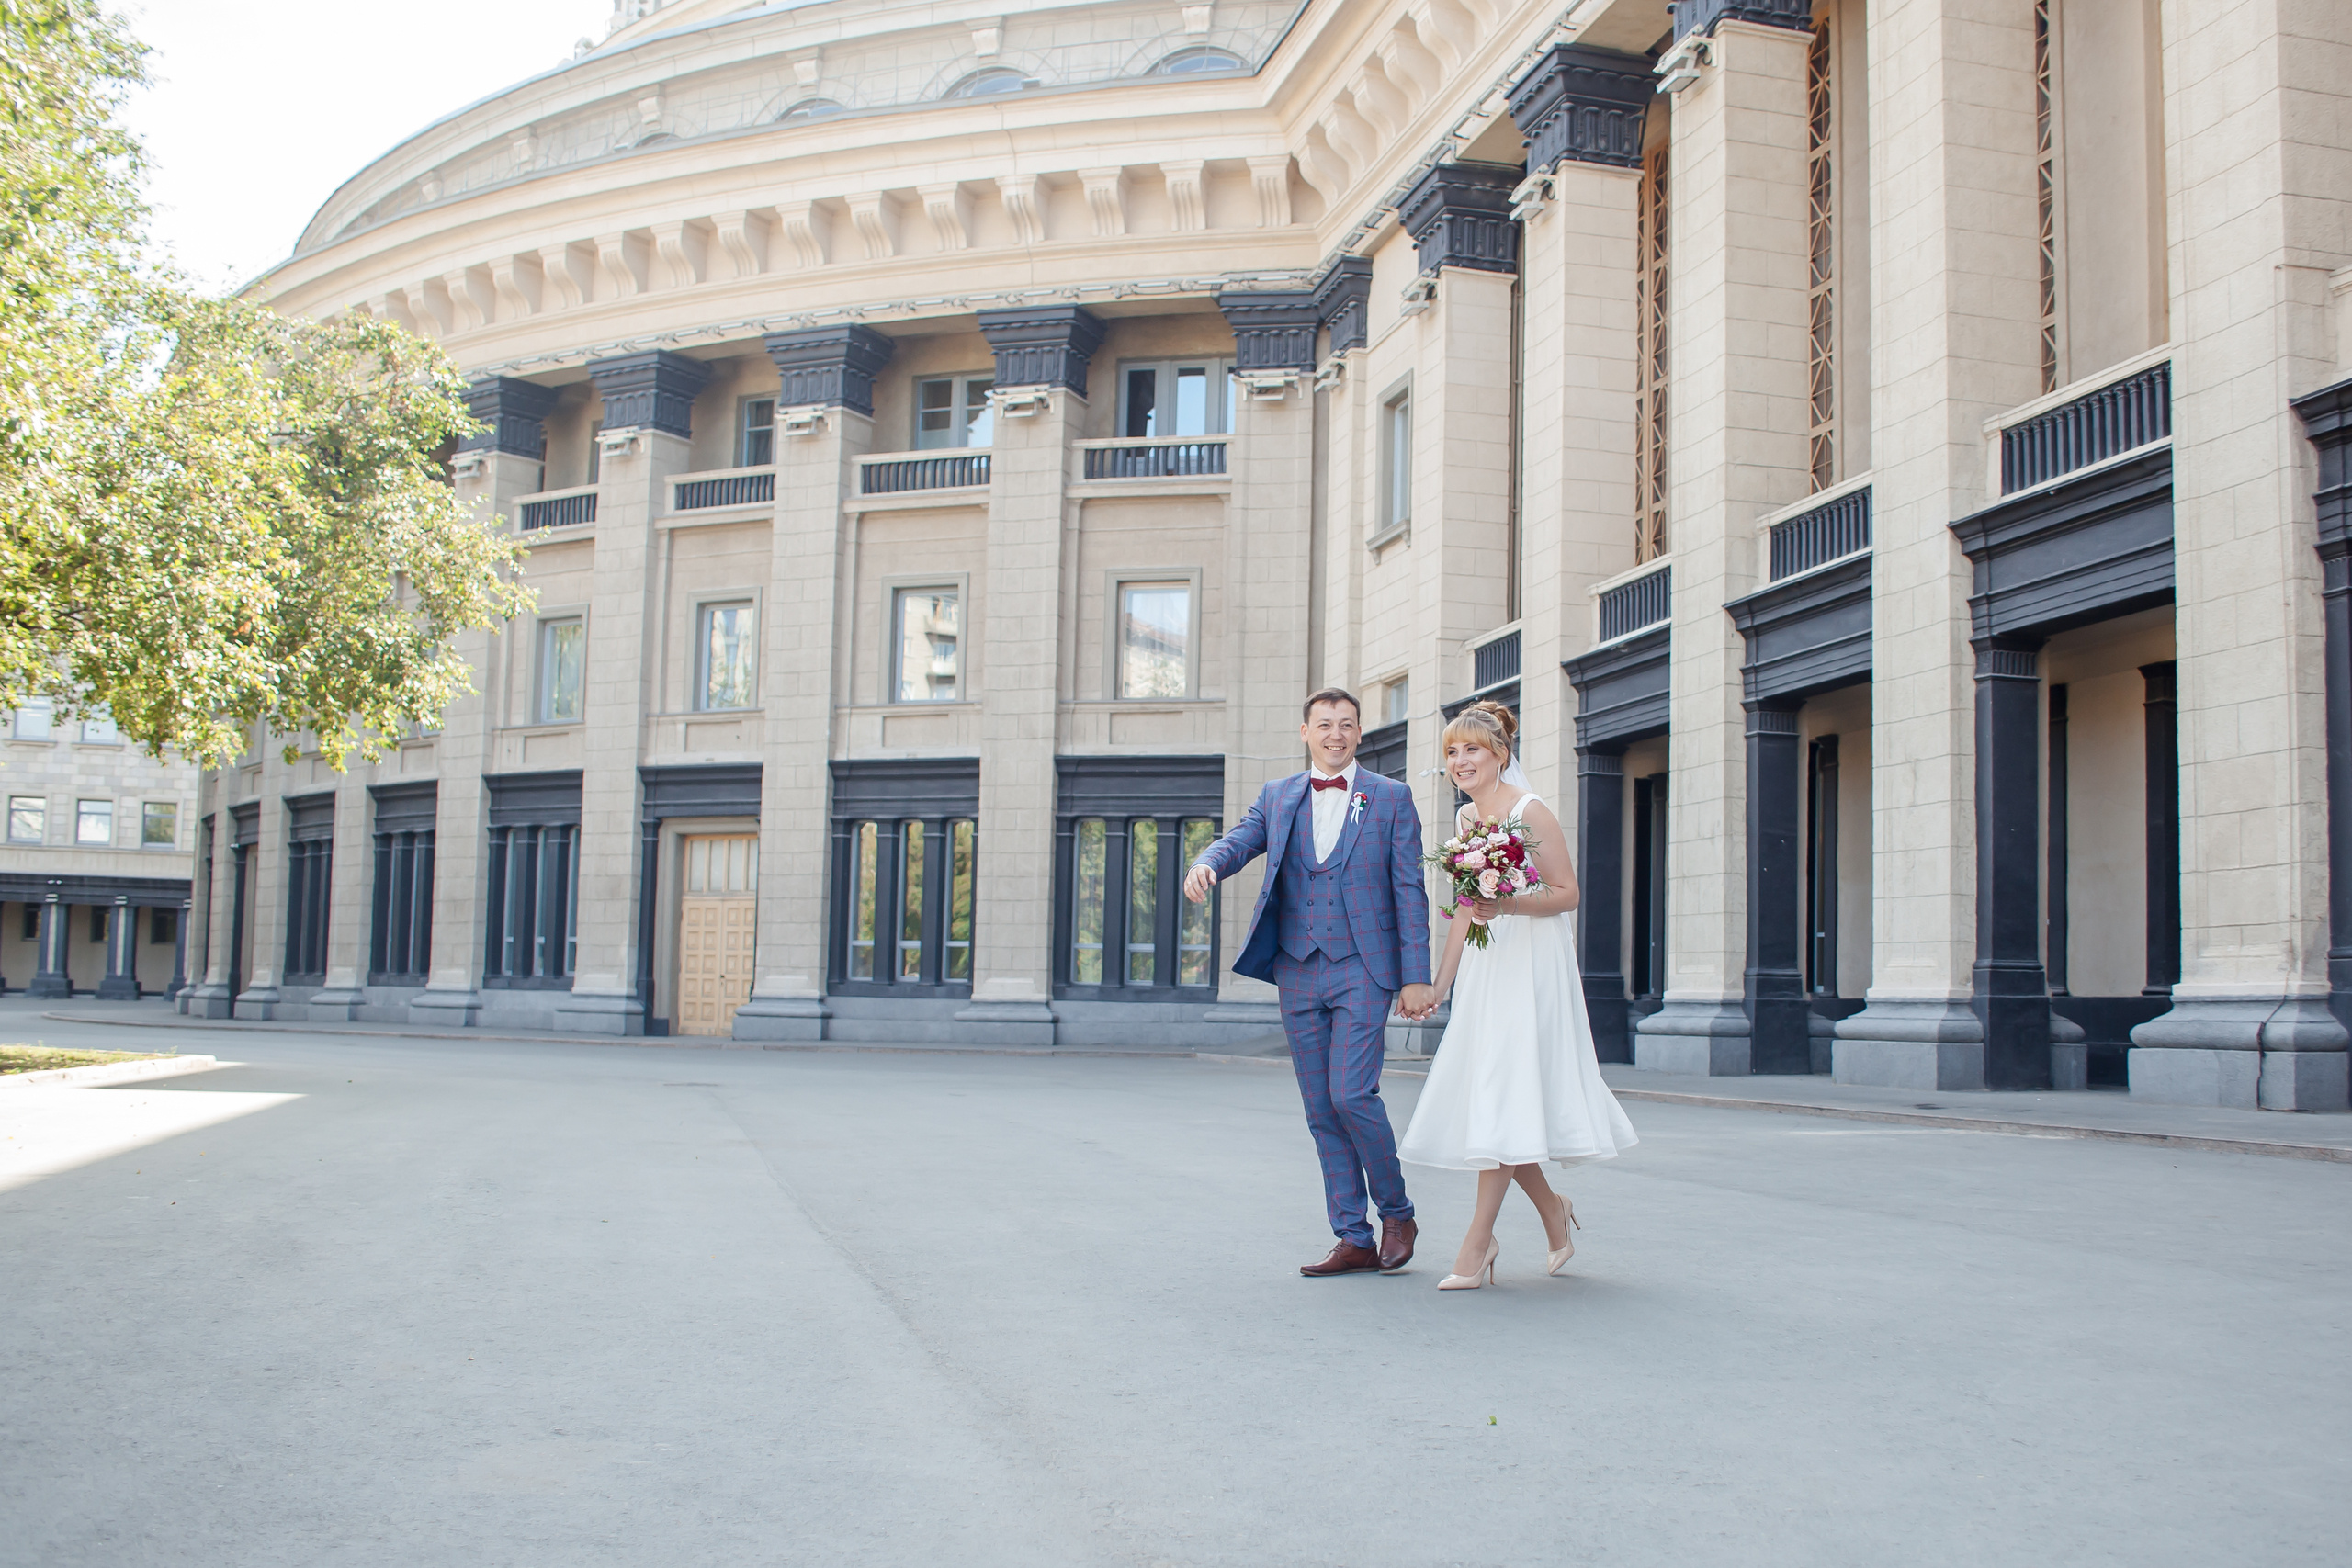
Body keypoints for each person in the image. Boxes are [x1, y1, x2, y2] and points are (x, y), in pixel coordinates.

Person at [1184, 689, 1437, 1278]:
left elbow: (1409, 890)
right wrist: (1207, 863)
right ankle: (1353, 1236)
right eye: (1324, 725)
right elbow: (1242, 840)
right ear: (1305, 732)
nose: (1335, 734)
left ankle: (1397, 1212)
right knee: (1321, 1107)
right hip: (1298, 965)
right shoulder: (1279, 796)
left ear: (1358, 732)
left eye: (1346, 725)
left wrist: (1415, 976)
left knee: (1352, 1094)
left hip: (1363, 967)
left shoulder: (1392, 798)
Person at [1396, 700, 1638, 1290]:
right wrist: (1440, 984)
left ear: (1501, 754)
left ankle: (1476, 1245)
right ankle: (1553, 1211)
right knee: (1504, 1094)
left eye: (1472, 749)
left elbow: (1567, 893)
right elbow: (1461, 912)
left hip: (1533, 962)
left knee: (1506, 1089)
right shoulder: (1463, 822)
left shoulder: (1531, 811)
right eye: (1452, 752)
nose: (1460, 761)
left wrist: (1506, 904)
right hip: (1486, 964)